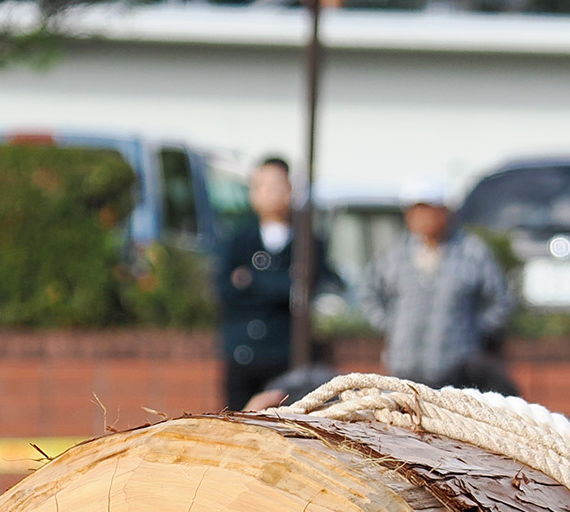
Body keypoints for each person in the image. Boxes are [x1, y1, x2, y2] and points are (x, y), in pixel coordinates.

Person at [358, 176, 514, 388]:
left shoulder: (472, 252)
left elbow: (500, 300)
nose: (419, 218)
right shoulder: (394, 254)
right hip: (403, 368)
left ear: (444, 211)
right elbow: (368, 294)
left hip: (457, 372)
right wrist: (391, 325)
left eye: (426, 210)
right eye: (413, 211)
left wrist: (471, 331)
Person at [215, 157, 333, 410]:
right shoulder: (237, 239)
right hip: (242, 355)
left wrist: (251, 280)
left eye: (276, 185)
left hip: (285, 358)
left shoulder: (308, 242)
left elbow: (307, 291)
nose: (269, 194)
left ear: (289, 190)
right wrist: (281, 285)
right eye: (261, 186)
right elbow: (224, 290)